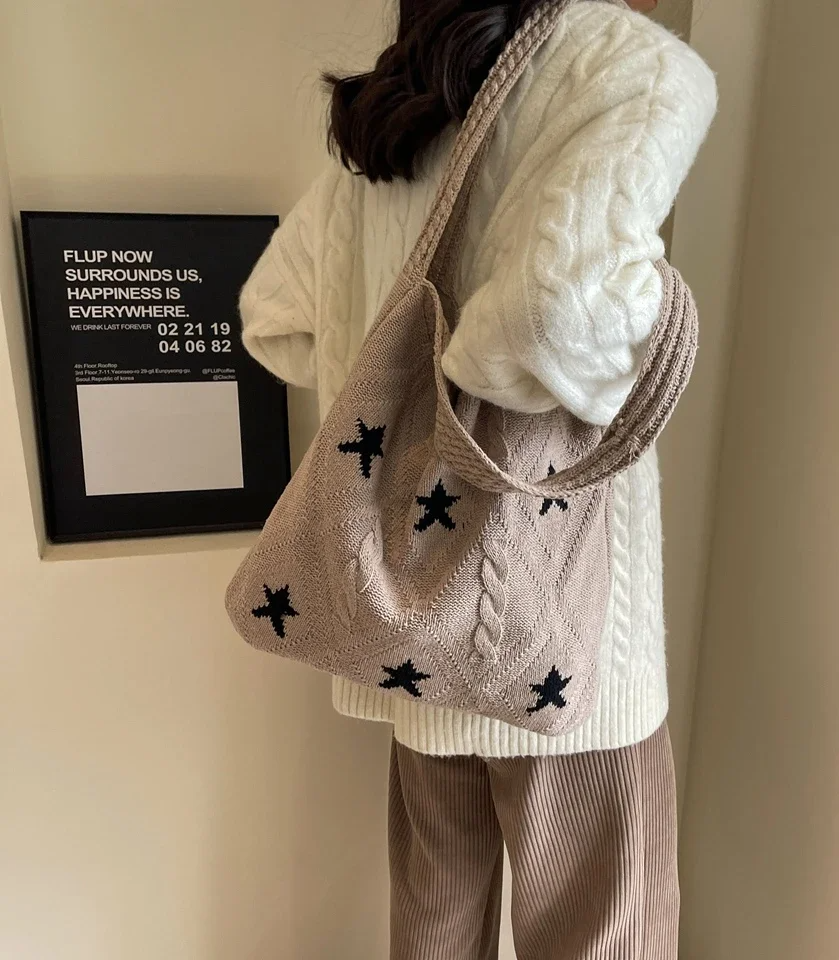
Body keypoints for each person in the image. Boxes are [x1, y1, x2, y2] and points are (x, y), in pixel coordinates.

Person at [239, 0, 716, 955]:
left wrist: (396, 395)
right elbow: (547, 325)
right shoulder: (630, 63)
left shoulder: (399, 98)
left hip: (412, 639)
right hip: (563, 652)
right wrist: (662, 301)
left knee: (433, 934)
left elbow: (274, 317)